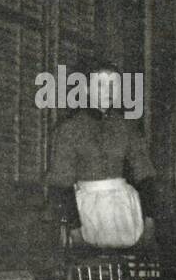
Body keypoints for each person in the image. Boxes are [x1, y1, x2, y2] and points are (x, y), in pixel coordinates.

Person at [46, 63, 157, 248]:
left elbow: (145, 173)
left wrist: (150, 221)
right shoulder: (70, 129)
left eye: (113, 84)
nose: (108, 91)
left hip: (124, 212)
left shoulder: (126, 127)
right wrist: (75, 232)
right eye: (100, 85)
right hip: (86, 215)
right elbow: (60, 183)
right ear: (87, 88)